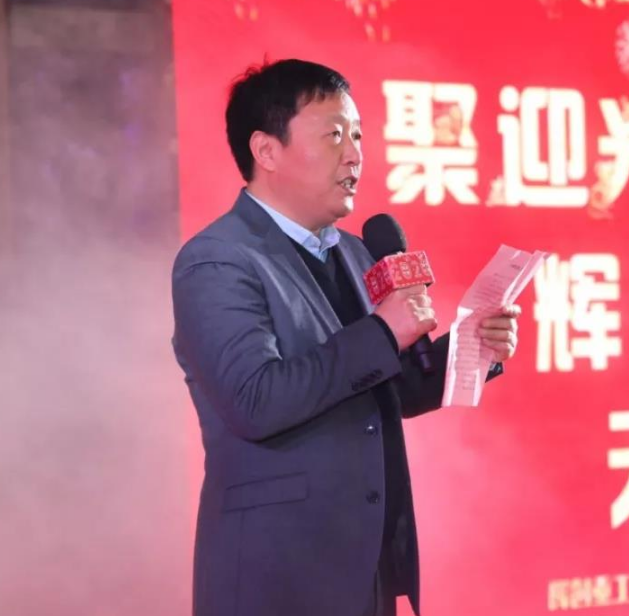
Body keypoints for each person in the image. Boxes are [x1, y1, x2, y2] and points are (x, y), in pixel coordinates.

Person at [171, 59, 521, 616]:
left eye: (357, 135)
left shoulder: (356, 251)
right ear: (267, 151)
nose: (355, 154)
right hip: (275, 577)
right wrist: (383, 330)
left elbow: (383, 390)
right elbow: (255, 400)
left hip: (365, 570)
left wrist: (471, 347)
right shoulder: (217, 261)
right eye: (334, 135)